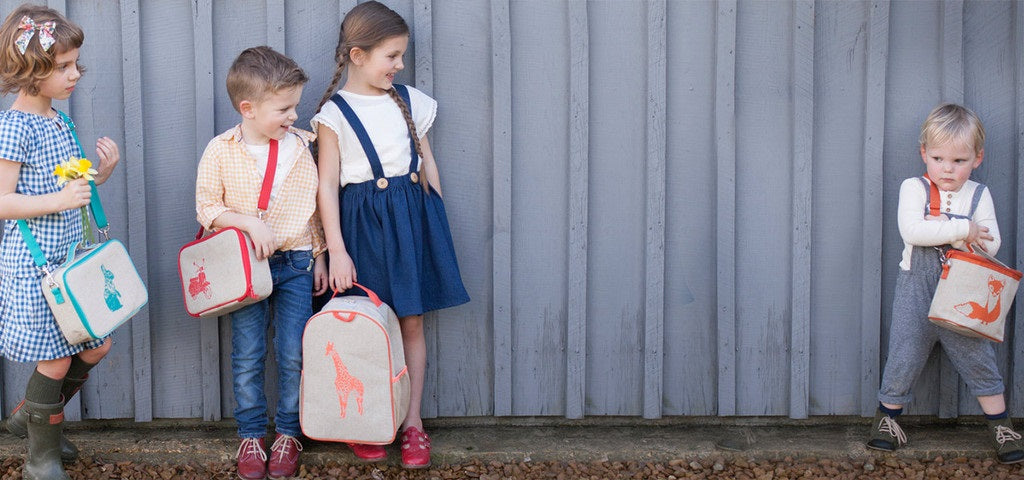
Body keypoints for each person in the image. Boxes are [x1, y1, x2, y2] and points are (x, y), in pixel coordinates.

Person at [312, 0, 469, 469]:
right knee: (366, 323)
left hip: (411, 221)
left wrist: (434, 223)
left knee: (412, 321)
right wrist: (335, 251)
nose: (400, 65)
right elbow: (326, 186)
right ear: (357, 55)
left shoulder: (412, 102)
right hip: (360, 225)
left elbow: (427, 164)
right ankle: (368, 420)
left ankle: (413, 423)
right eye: (392, 56)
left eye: (402, 56)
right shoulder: (333, 115)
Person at [0, 4, 121, 479]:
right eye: (63, 66)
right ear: (30, 72)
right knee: (54, 359)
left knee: (96, 347)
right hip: (35, 264)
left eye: (76, 64)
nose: (75, 75)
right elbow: (3, 201)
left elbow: (72, 189)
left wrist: (99, 177)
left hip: (71, 260)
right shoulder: (13, 129)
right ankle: (40, 457)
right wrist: (58, 198)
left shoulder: (59, 121)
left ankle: (30, 417)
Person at [195, 45, 327, 480]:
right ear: (247, 108)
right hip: (244, 268)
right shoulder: (221, 150)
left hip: (296, 263)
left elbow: (316, 208)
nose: (293, 116)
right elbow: (207, 208)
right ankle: (251, 434)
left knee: (293, 353)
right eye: (284, 108)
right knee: (248, 354)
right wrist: (249, 223)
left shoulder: (304, 147)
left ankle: (288, 434)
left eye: (296, 106)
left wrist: (320, 255)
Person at [867, 103, 1024, 464]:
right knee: (905, 351)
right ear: (924, 153)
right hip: (915, 290)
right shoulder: (914, 189)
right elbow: (913, 230)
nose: (948, 169)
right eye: (938, 158)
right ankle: (886, 420)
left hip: (963, 291)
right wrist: (962, 230)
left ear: (977, 158)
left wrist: (957, 235)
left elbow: (991, 243)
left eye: (959, 161)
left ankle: (1001, 426)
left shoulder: (979, 195)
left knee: (976, 356)